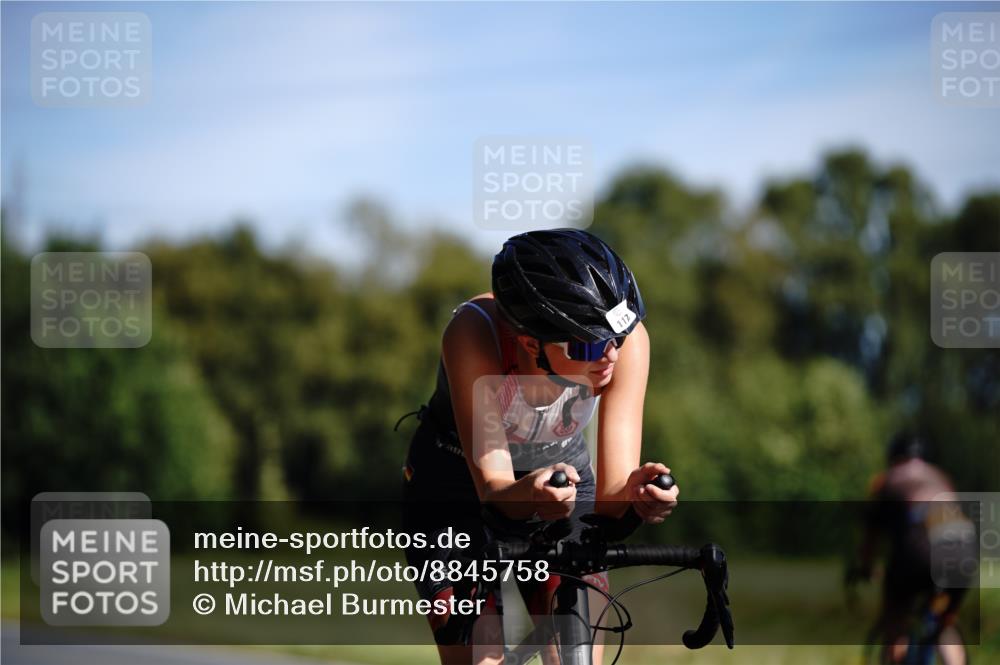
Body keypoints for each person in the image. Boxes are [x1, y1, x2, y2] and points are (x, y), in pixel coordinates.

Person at [399, 229, 678, 665]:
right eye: (587, 344)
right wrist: (530, 494)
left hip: (561, 475)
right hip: (455, 487)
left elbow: (609, 502)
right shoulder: (475, 333)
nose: (608, 356)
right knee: (480, 659)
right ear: (531, 343)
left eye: (616, 339)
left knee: (576, 658)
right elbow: (494, 490)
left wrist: (638, 497)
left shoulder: (626, 344)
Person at [848, 431, 975, 665]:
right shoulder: (941, 477)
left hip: (919, 547)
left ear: (894, 457)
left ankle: (897, 650)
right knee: (942, 623)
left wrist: (866, 567)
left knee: (896, 620)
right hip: (963, 548)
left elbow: (871, 536)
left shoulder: (887, 479)